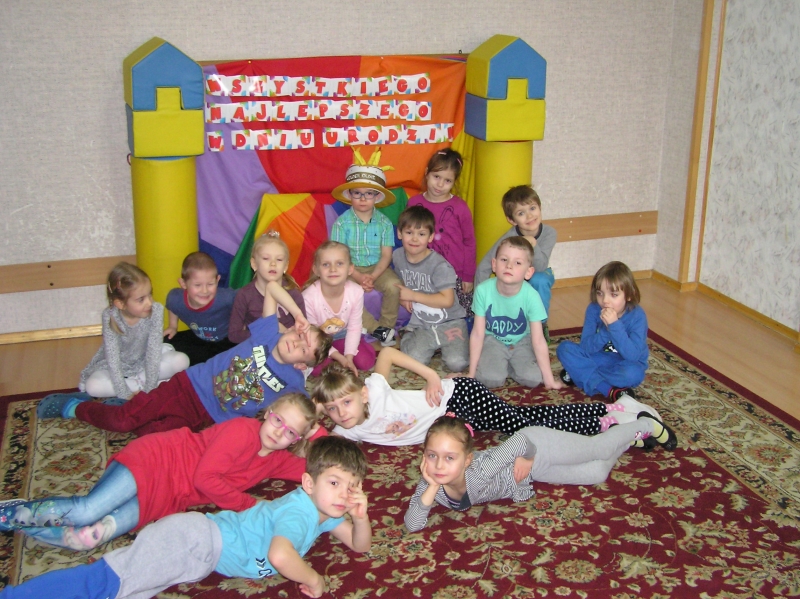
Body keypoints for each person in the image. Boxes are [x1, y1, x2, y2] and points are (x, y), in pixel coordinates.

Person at [0, 436, 371, 599]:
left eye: (351, 486)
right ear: (308, 483)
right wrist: (314, 579)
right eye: (334, 483)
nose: (343, 493)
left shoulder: (324, 512)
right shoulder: (299, 513)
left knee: (120, 590)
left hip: (197, 554)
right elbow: (280, 555)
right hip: (193, 542)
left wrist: (360, 516)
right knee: (107, 581)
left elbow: (359, 546)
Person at [0, 393, 326, 550]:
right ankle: (10, 512)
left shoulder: (277, 457)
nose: (279, 432)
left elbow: (317, 470)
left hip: (168, 496)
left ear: (298, 439)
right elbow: (205, 479)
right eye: (278, 420)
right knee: (86, 511)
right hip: (158, 460)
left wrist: (319, 433)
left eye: (291, 432)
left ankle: (19, 520)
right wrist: (251, 505)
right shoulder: (242, 431)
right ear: (268, 413)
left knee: (84, 539)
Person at [37, 281, 332, 437]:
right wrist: (298, 316)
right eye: (300, 334)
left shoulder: (293, 382)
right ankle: (74, 407)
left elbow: (312, 413)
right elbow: (273, 287)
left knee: (150, 436)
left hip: (208, 418)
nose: (298, 340)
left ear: (301, 365)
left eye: (304, 348)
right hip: (188, 388)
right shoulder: (267, 334)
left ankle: (130, 404)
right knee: (123, 422)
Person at [312, 347, 660, 446]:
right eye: (334, 408)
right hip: (454, 420)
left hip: (458, 397)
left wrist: (431, 375)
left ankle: (607, 417)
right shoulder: (345, 430)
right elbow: (311, 439)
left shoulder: (374, 390)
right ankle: (606, 412)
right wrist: (315, 409)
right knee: (525, 419)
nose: (342, 412)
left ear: (362, 394)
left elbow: (387, 352)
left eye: (347, 402)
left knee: (523, 425)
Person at [403, 412, 677, 531]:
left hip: (536, 447)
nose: (439, 465)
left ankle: (648, 425)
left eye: (449, 458)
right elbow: (413, 524)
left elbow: (521, 442)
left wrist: (527, 456)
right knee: (597, 474)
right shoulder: (431, 485)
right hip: (534, 472)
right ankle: (627, 439)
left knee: (599, 448)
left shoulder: (482, 468)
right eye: (432, 456)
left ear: (467, 461)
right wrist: (431, 487)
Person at [74, 262, 189, 401]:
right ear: (120, 304)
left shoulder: (156, 310)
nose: (149, 302)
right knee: (93, 386)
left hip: (146, 360)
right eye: (141, 299)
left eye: (150, 294)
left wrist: (149, 390)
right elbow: (113, 359)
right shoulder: (110, 316)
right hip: (119, 364)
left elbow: (153, 353)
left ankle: (140, 383)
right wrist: (125, 394)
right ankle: (141, 384)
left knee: (182, 361)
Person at [468, 236, 561, 389]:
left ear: (528, 272)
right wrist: (471, 375)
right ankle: (500, 364)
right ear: (494, 264)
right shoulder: (482, 291)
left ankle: (508, 365)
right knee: (490, 379)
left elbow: (538, 339)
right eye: (504, 260)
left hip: (522, 341)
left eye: (517, 263)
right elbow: (478, 333)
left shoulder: (532, 296)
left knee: (533, 379)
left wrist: (549, 379)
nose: (509, 266)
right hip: (493, 340)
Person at [331, 148, 401, 347]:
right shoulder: (341, 223)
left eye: (369, 194)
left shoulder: (384, 223)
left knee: (394, 286)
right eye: (357, 193)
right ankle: (376, 329)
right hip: (349, 268)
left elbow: (386, 255)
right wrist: (358, 276)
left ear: (377, 196)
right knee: (344, 292)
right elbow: (339, 257)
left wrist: (373, 276)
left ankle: (387, 328)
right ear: (349, 195)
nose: (363, 199)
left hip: (377, 268)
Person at [556, 261, 649, 402]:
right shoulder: (593, 309)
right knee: (564, 349)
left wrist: (614, 326)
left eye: (614, 295)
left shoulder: (637, 316)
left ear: (629, 295)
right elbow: (586, 347)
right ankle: (607, 389)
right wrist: (605, 332)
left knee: (634, 374)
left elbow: (633, 356)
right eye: (600, 293)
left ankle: (580, 373)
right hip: (598, 358)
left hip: (624, 363)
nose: (605, 300)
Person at [392, 205, 469, 372]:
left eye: (421, 234)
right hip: (423, 323)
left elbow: (447, 300)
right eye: (409, 232)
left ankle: (445, 343)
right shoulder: (397, 256)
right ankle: (410, 334)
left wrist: (412, 295)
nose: (414, 239)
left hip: (450, 321)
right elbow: (399, 280)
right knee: (414, 359)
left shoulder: (439, 266)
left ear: (430, 237)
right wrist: (403, 297)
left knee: (458, 363)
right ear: (399, 233)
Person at [475, 185, 557, 331]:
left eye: (532, 208)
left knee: (540, 280)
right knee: (503, 282)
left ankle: (540, 324)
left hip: (538, 273)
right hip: (515, 276)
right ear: (512, 220)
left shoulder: (549, 233)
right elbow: (484, 266)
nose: (529, 216)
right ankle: (510, 322)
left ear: (540, 208)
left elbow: (540, 266)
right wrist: (479, 301)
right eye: (521, 213)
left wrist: (532, 244)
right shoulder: (508, 238)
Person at [407, 148, 476, 314]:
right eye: (436, 177)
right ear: (426, 173)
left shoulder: (460, 207)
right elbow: (407, 239)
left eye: (447, 180)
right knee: (427, 313)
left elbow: (469, 242)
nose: (440, 184)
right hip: (423, 273)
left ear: (454, 182)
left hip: (455, 275)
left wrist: (468, 276)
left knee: (458, 315)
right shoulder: (414, 203)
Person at [302, 241, 376, 377]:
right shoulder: (308, 297)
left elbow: (354, 327)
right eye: (326, 264)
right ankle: (333, 355)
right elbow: (314, 336)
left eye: (339, 263)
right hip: (318, 340)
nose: (333, 269)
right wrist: (340, 358)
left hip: (343, 334)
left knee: (365, 362)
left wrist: (349, 357)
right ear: (316, 270)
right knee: (319, 369)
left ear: (350, 269)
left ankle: (347, 349)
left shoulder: (356, 292)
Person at [229, 231, 305, 343]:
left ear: (286, 266)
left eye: (279, 259)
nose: (273, 264)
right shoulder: (244, 295)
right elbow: (234, 335)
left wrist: (289, 333)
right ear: (254, 264)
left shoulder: (294, 294)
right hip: (257, 347)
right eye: (266, 258)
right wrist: (265, 331)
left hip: (287, 347)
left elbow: (303, 331)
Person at [163, 251, 237, 365]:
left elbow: (246, 298)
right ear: (183, 284)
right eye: (197, 285)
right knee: (166, 340)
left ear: (217, 280)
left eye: (210, 284)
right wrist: (173, 326)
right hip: (199, 340)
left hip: (227, 341)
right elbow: (172, 305)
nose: (205, 291)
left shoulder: (226, 297)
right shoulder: (175, 298)